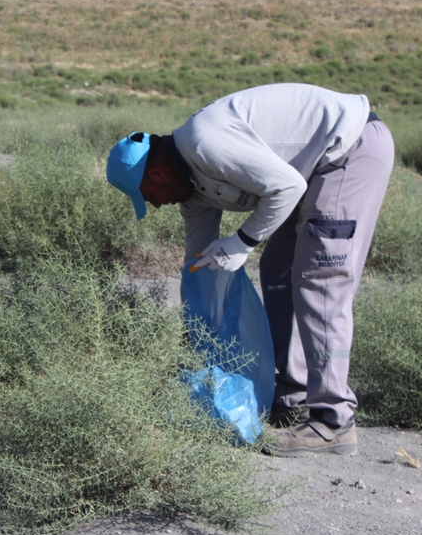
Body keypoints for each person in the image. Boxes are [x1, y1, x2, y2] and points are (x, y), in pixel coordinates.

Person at [106, 84, 394, 457]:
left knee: (319, 280)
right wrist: (194, 335)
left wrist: (242, 242)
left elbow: (286, 186)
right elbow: (196, 268)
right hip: (312, 170)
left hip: (348, 150)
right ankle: (292, 396)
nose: (155, 205)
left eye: (147, 196)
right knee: (276, 270)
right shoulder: (193, 195)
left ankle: (333, 419)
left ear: (158, 175)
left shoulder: (205, 144)